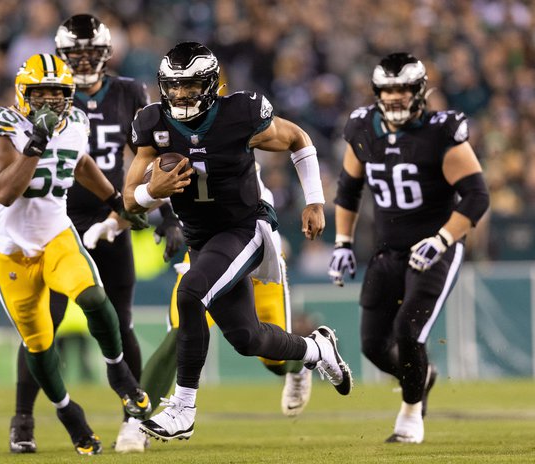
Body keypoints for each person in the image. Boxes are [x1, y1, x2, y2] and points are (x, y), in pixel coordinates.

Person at [123, 41, 353, 442]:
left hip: (246, 227)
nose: (180, 95)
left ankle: (183, 407)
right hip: (202, 238)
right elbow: (129, 198)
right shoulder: (152, 124)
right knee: (247, 339)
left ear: (211, 84)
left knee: (191, 294)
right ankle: (318, 350)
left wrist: (315, 200)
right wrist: (151, 191)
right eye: (173, 86)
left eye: (190, 85)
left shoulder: (240, 113)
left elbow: (298, 138)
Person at [7, 14, 183, 455]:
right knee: (40, 327)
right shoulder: (44, 97)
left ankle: (134, 421)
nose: (84, 61)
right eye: (76, 55)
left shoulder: (127, 92)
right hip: (56, 223)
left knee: (119, 322)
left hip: (112, 220)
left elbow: (152, 157)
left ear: (106, 55)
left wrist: (169, 216)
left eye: (91, 53)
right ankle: (23, 419)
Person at [0, 52, 151, 456]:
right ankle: (65, 412)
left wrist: (114, 202)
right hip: (12, 251)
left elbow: (81, 163)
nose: (51, 103)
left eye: (58, 95)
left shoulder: (75, 122)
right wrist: (35, 142)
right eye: (42, 95)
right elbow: (4, 191)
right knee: (39, 344)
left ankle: (118, 371)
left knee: (94, 297)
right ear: (24, 94)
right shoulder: (2, 126)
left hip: (56, 234)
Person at [327, 52, 489, 444]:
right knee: (371, 345)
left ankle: (411, 414)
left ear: (420, 91)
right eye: (387, 89)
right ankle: (423, 377)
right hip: (388, 249)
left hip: (436, 246)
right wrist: (343, 242)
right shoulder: (363, 128)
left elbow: (475, 197)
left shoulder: (440, 131)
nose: (395, 96)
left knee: (408, 331)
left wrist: (443, 239)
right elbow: (349, 190)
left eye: (402, 89)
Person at [140, 165, 314, 418]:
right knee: (179, 334)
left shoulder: (233, 137)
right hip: (205, 252)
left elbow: (292, 140)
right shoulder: (172, 141)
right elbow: (140, 188)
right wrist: (164, 212)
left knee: (272, 358)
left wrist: (315, 199)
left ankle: (299, 364)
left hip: (255, 254)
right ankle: (135, 422)